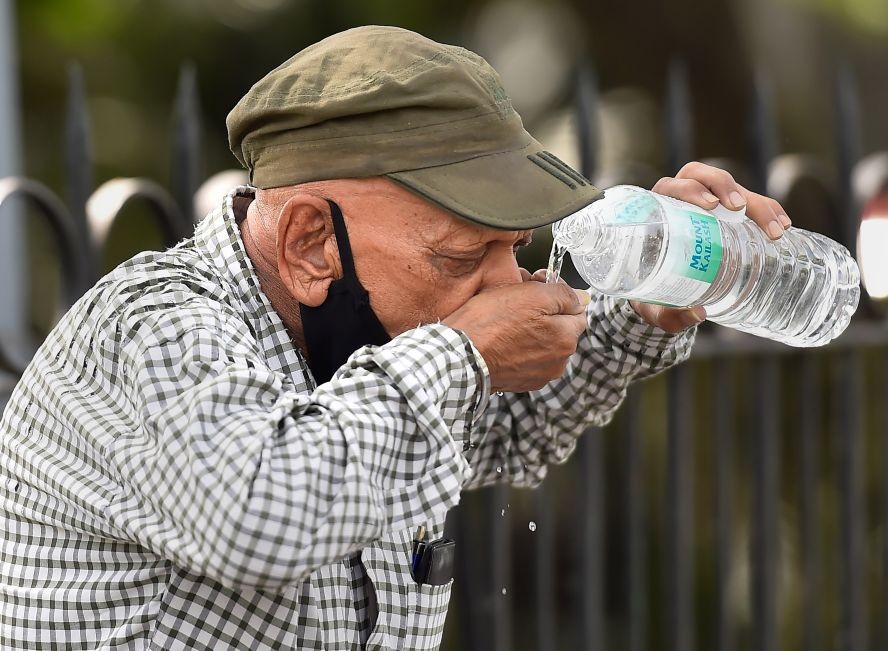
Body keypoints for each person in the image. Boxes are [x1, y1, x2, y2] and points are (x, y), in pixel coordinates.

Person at [0, 25, 791, 651]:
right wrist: (465, 353)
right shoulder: (154, 328)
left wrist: (648, 305)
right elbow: (259, 514)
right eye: (458, 256)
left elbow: (510, 424)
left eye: (510, 249)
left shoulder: (362, 337)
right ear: (310, 242)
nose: (505, 287)